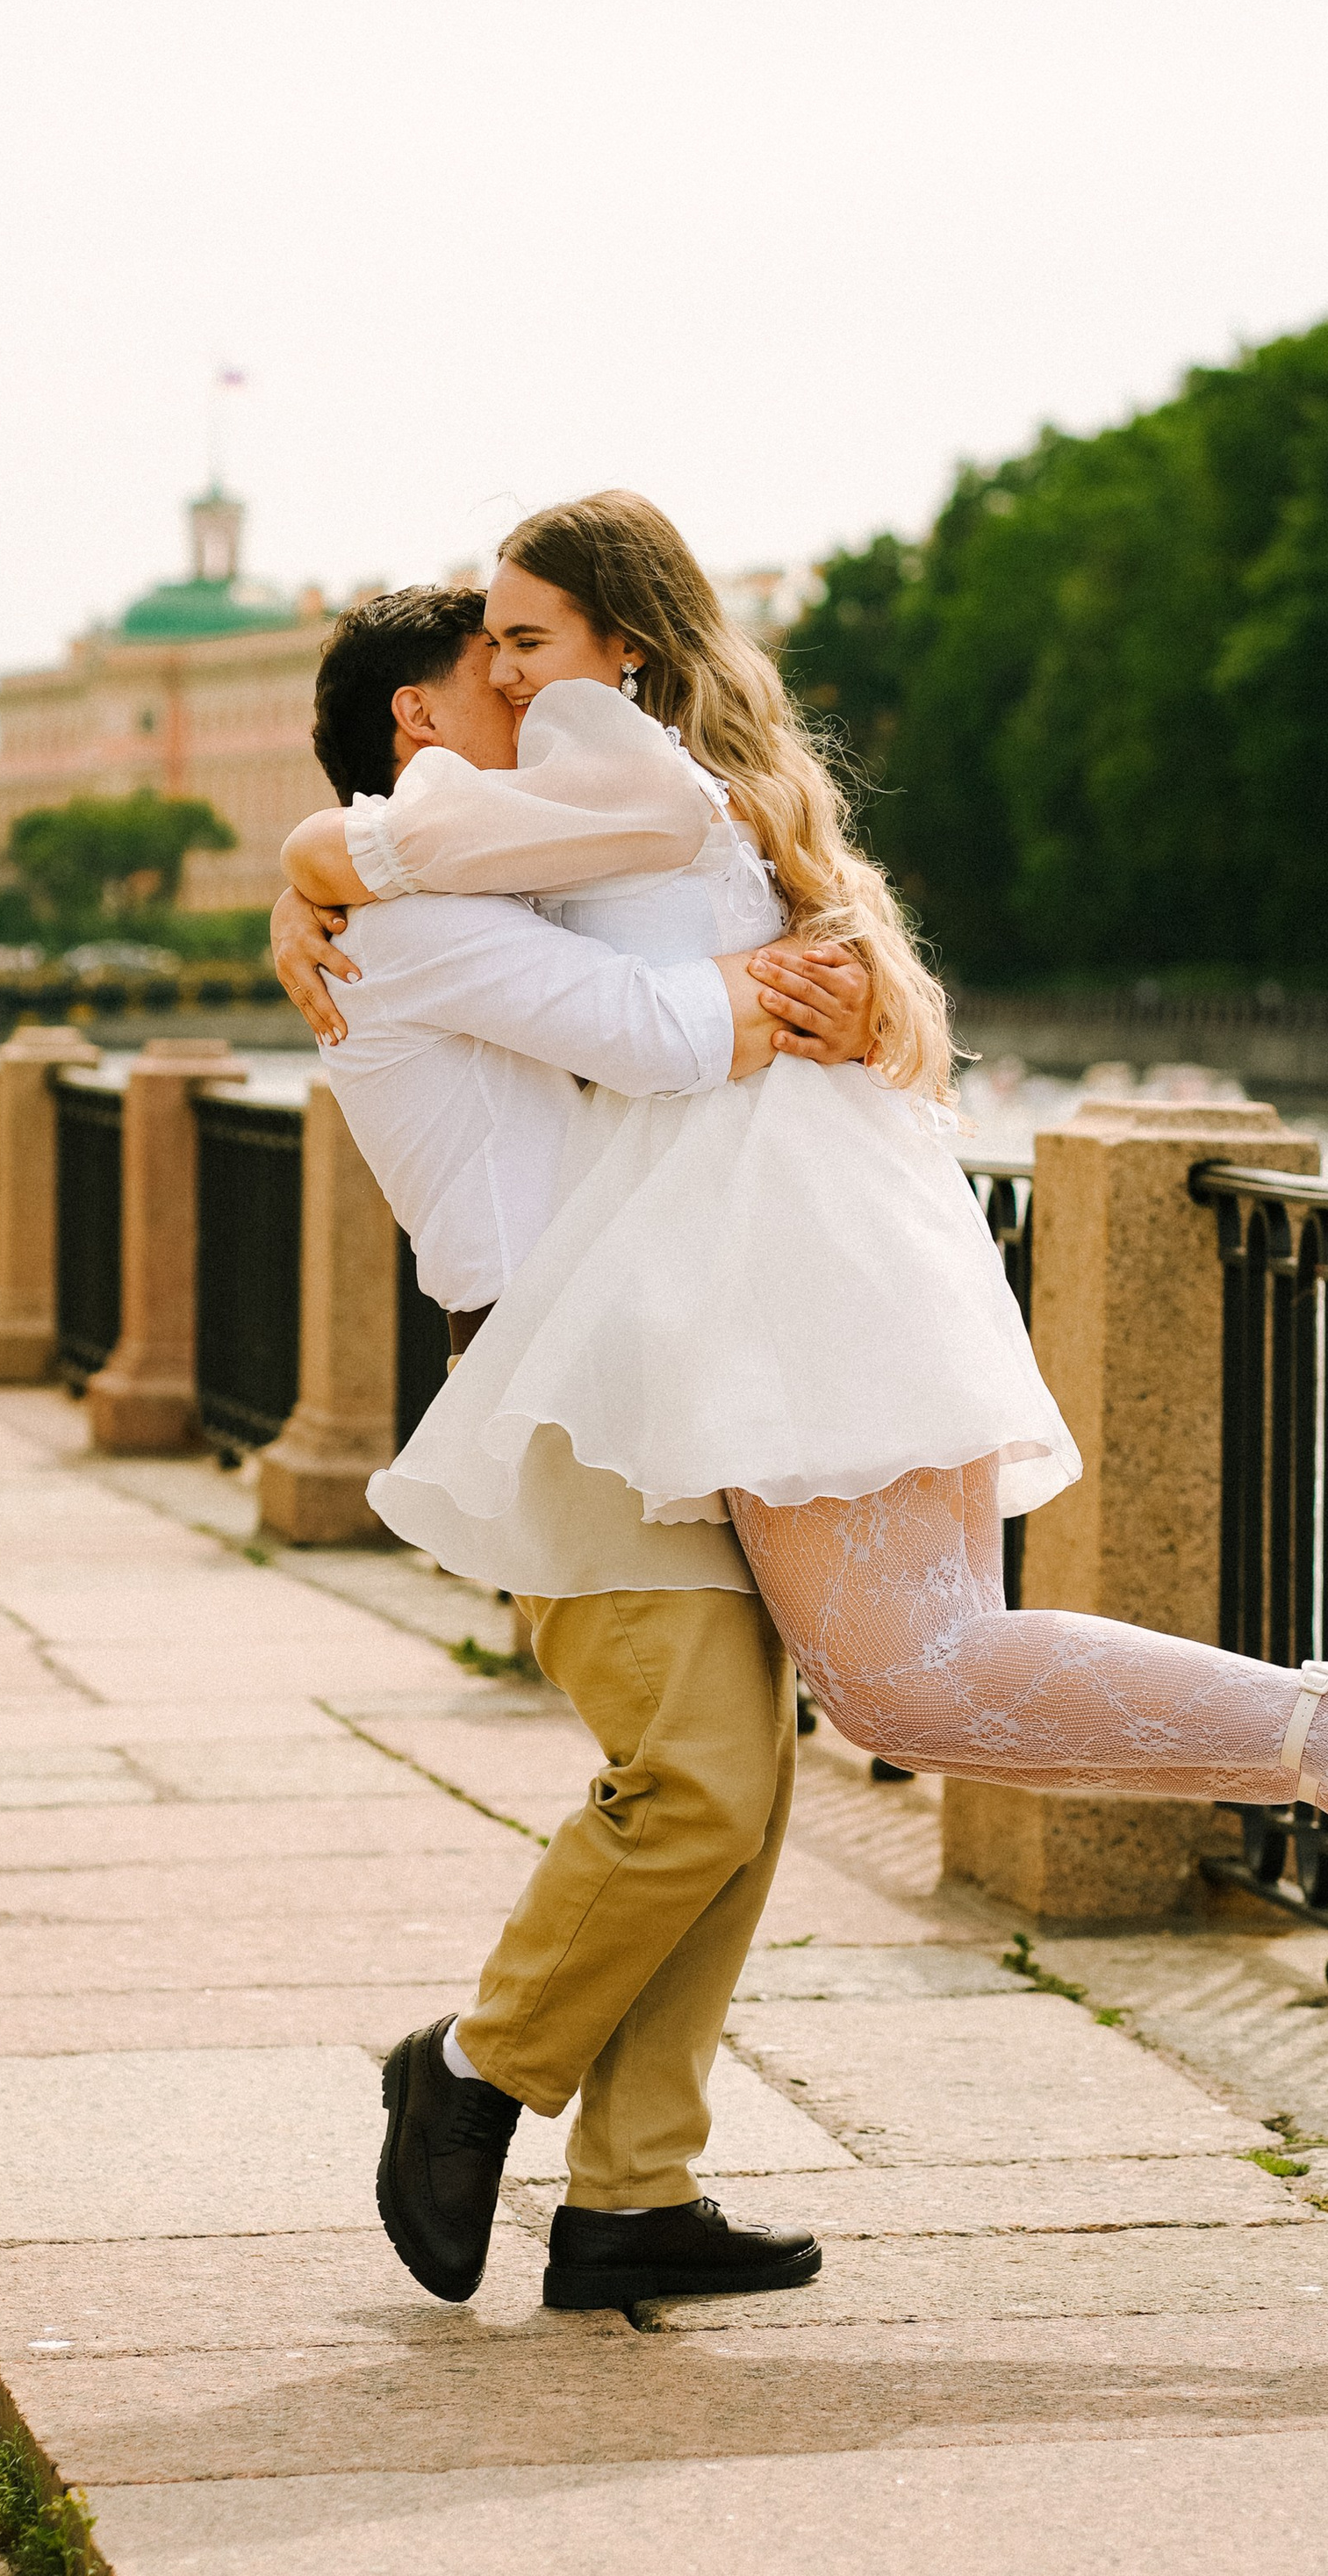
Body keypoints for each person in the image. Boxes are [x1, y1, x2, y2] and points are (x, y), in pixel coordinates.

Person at [280, 493, 1328, 1977]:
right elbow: (510, 882)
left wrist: (338, 860)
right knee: (909, 1680)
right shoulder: (633, 781)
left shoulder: (586, 756)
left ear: (624, 645)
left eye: (535, 639)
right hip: (809, 1216)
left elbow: (635, 990)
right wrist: (317, 867)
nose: (523, 677)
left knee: (905, 1685)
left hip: (761, 1232)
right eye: (505, 651)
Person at [270, 582, 876, 2320]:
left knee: (738, 1790)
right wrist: (787, 983)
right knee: (687, 1780)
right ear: (417, 730)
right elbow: (661, 1031)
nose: (542, 708)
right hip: (557, 1383)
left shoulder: (417, 884)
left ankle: (632, 2192)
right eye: (504, 676)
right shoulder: (397, 906)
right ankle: (469, 2069)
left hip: (654, 1367)